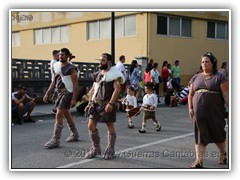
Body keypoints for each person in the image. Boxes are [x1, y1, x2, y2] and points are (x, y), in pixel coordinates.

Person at [188, 52, 228, 168]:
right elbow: (190, 95)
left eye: (207, 61)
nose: (204, 64)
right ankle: (199, 161)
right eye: (203, 62)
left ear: (213, 63)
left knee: (218, 134)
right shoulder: (196, 77)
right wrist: (190, 108)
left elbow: (226, 95)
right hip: (198, 112)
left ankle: (223, 153)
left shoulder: (220, 76)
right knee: (199, 135)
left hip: (216, 111)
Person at [84, 53, 125, 160]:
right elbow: (93, 89)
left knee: (110, 127)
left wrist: (111, 103)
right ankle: (96, 148)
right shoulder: (97, 74)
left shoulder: (115, 74)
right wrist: (89, 103)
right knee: (90, 126)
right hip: (96, 104)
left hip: (107, 104)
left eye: (103, 60)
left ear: (109, 62)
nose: (100, 62)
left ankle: (110, 149)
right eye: (100, 60)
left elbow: (117, 89)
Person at [43, 48, 79, 149]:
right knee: (66, 114)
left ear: (67, 56)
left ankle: (55, 139)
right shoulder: (56, 66)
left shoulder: (72, 68)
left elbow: (76, 85)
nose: (60, 56)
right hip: (59, 93)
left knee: (59, 113)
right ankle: (74, 133)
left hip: (67, 93)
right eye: (59, 55)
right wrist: (47, 93)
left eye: (63, 55)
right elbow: (53, 82)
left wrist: (74, 99)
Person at [49, 50, 59, 114]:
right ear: (55, 55)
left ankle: (56, 108)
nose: (60, 56)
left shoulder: (54, 62)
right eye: (59, 55)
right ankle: (55, 108)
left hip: (55, 81)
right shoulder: (54, 62)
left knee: (58, 95)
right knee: (58, 95)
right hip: (56, 81)